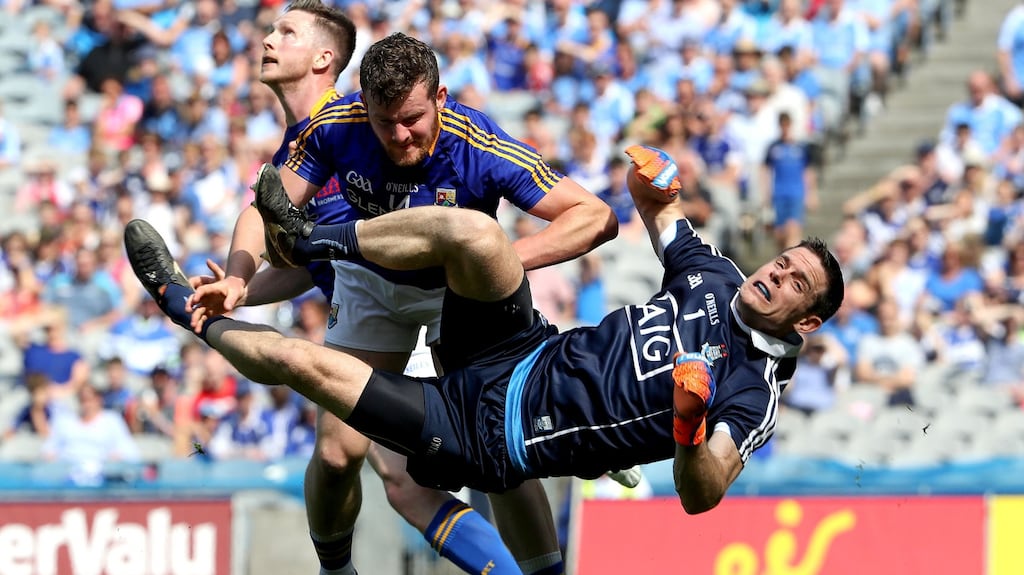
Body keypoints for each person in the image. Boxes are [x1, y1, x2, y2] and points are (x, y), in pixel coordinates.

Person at [126, 145, 844, 520]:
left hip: (486, 434)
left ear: (806, 321)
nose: (774, 277)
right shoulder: (716, 274)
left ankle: (190, 314)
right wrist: (652, 187)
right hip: (519, 348)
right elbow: (658, 214)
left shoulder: (754, 394)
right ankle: (313, 234)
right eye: (782, 264)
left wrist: (688, 429)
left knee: (303, 362)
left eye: (794, 285)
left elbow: (703, 492)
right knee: (473, 233)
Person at [191, 11, 619, 575]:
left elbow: (597, 215)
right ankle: (337, 569)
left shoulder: (478, 142)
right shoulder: (338, 128)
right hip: (371, 285)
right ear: (362, 104)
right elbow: (263, 210)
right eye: (384, 122)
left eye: (413, 119)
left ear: (440, 97)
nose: (399, 136)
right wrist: (238, 279)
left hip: (457, 297)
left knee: (496, 453)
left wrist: (500, 259)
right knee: (338, 453)